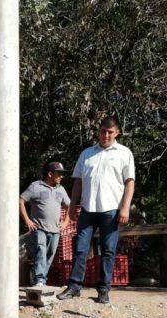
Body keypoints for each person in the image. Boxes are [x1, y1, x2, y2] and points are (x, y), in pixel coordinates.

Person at [57, 116, 135, 304]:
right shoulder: (87, 154)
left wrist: (125, 208)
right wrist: (72, 206)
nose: (105, 135)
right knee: (80, 248)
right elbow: (78, 182)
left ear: (117, 133)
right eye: (102, 131)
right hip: (87, 209)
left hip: (111, 210)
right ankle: (74, 286)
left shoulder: (124, 153)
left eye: (110, 132)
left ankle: (103, 290)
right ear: (98, 131)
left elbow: (129, 182)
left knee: (108, 251)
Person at [19, 161, 71, 287]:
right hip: (39, 228)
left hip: (55, 230)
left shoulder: (61, 189)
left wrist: (65, 222)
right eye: (59, 174)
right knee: (40, 252)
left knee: (50, 255)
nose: (61, 176)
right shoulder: (35, 186)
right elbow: (21, 201)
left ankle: (41, 277)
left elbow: (69, 205)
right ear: (50, 174)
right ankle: (39, 279)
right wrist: (27, 220)